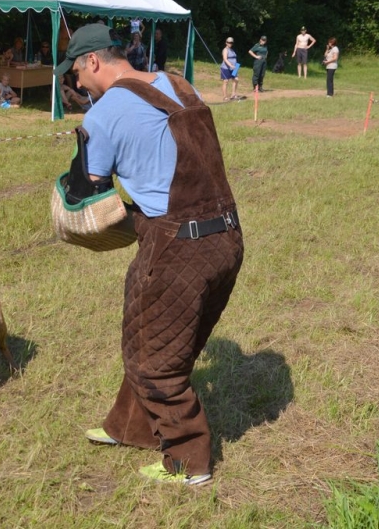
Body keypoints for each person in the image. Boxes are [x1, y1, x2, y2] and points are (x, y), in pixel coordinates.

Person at [54, 24, 244, 485]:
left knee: (154, 363)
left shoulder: (104, 114)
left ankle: (188, 463)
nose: (77, 85)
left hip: (178, 246)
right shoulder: (178, 83)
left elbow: (90, 189)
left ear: (93, 62)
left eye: (77, 74)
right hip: (228, 238)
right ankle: (128, 428)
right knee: (153, 337)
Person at [220, 37, 240, 101]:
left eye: (231, 42)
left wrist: (235, 66)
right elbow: (225, 59)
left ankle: (233, 94)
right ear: (226, 43)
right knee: (226, 81)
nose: (230, 43)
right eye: (228, 42)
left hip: (235, 67)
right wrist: (231, 65)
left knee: (236, 80)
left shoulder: (232, 50)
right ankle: (225, 97)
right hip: (226, 68)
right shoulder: (225, 50)